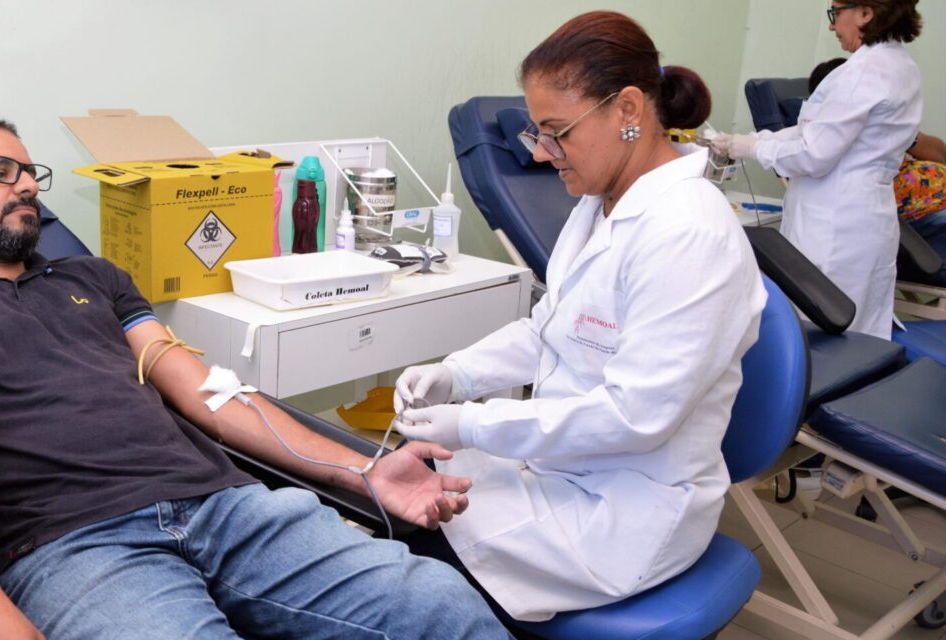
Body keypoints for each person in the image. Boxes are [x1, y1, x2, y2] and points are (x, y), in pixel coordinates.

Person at [0, 118, 511, 639]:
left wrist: (361, 469)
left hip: (229, 506)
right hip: (77, 543)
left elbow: (206, 389)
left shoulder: (94, 278)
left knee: (439, 605)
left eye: (30, 172)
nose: (25, 185)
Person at [389, 11, 766, 623]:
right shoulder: (598, 205)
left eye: (557, 132)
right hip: (565, 471)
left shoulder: (692, 235)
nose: (542, 154)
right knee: (393, 499)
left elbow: (634, 416)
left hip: (627, 513)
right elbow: (550, 330)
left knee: (403, 563)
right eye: (538, 133)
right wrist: (456, 374)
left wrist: (474, 424)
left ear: (628, 111)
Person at [714, 0, 924, 339]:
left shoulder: (863, 73)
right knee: (861, 335)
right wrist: (753, 139)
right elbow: (813, 128)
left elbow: (814, 153)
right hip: (868, 218)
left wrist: (753, 148)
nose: (831, 26)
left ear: (865, 13)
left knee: (822, 335)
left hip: (834, 226)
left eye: (836, 13)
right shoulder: (901, 66)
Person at [808, 56, 946, 277]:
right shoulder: (832, 141)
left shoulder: (887, 127)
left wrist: (906, 137)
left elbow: (941, 153)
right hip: (921, 224)